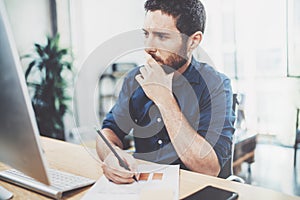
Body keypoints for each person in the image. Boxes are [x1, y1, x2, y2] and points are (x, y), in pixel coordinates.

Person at [96, 0, 235, 184]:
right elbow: (109, 132)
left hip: (195, 191)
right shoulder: (134, 79)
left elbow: (209, 169)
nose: (148, 47)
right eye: (147, 34)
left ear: (193, 41)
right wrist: (111, 156)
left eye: (162, 37)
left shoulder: (216, 85)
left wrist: (164, 99)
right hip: (143, 188)